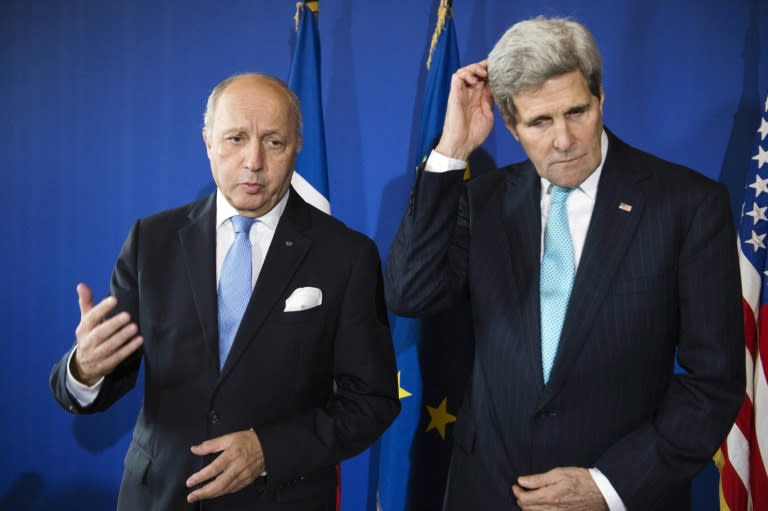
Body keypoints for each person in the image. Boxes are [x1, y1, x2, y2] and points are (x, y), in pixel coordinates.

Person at [385, 16, 744, 511]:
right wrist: (451, 151)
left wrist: (609, 485)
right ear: (509, 125)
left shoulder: (687, 205)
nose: (563, 140)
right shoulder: (480, 200)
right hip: (487, 491)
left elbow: (714, 382)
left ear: (601, 99)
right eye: (539, 122)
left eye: (577, 112)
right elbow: (409, 292)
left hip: (623, 494)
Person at [50, 73, 400, 510]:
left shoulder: (346, 255)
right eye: (235, 138)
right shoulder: (151, 241)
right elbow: (99, 378)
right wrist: (85, 369)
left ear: (297, 146)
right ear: (207, 143)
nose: (253, 160)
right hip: (160, 497)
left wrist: (267, 451)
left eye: (273, 142)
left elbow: (372, 402)